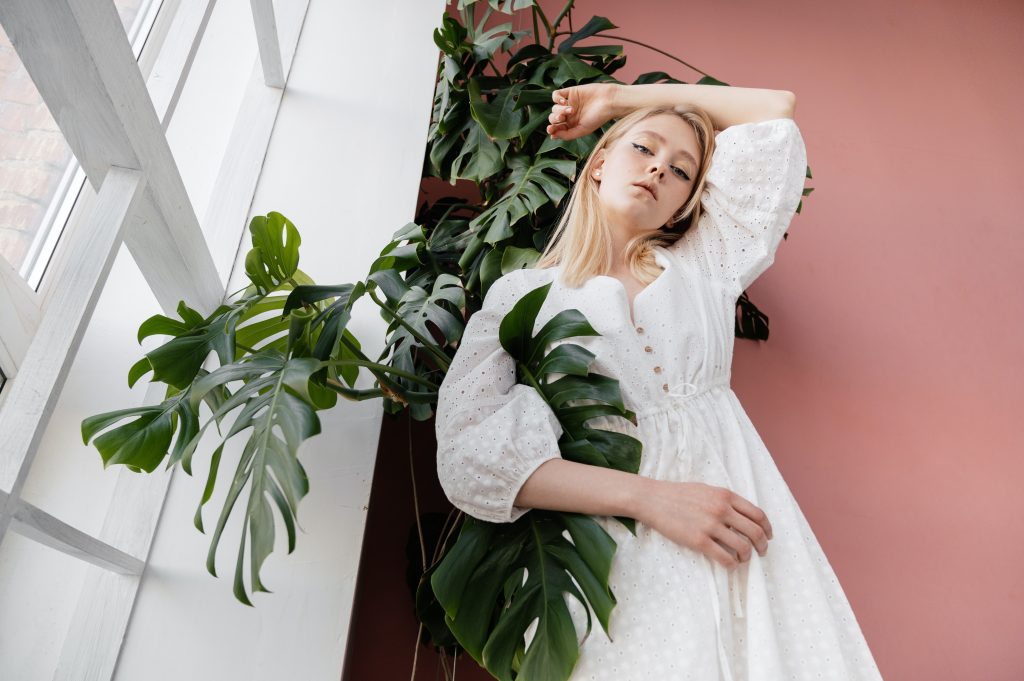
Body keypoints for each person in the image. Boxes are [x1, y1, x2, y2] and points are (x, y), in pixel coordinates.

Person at [434, 82, 884, 680]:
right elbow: (469, 454)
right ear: (597, 164)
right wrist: (654, 500)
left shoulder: (706, 265)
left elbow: (773, 112)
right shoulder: (522, 298)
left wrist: (614, 100)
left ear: (684, 205)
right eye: (642, 149)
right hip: (618, 550)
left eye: (680, 172)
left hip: (737, 526)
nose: (656, 170)